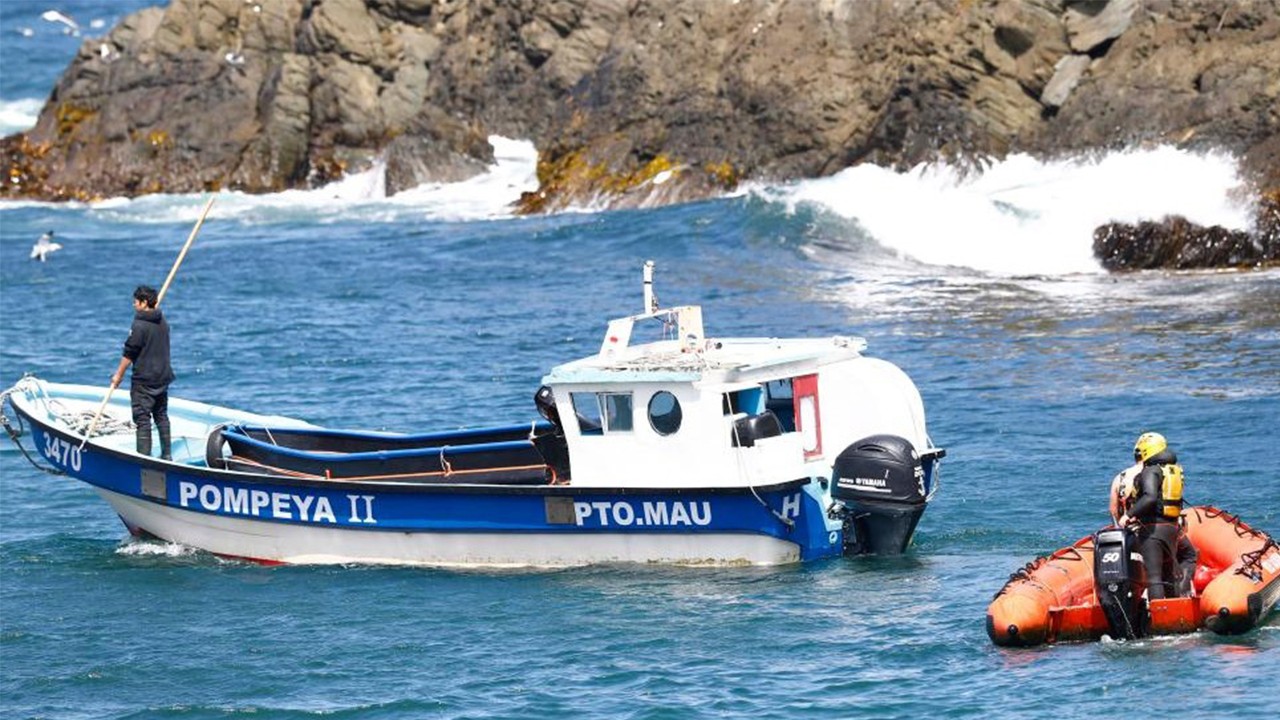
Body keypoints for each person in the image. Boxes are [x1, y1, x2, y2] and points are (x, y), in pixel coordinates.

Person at [1114, 431, 1186, 599]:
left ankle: (1158, 612)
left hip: (1153, 529)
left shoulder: (1151, 471)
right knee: (1169, 574)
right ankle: (1174, 610)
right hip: (1171, 527)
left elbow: (1150, 497)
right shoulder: (1172, 470)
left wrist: (1128, 515)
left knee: (1154, 577)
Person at [111, 285, 175, 459]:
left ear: (144, 302)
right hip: (162, 377)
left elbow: (129, 352)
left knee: (142, 418)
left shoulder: (139, 325)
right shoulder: (162, 321)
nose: (134, 305)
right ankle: (167, 455)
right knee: (161, 415)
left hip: (144, 380)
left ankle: (144, 459)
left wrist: (118, 375)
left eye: (136, 302)